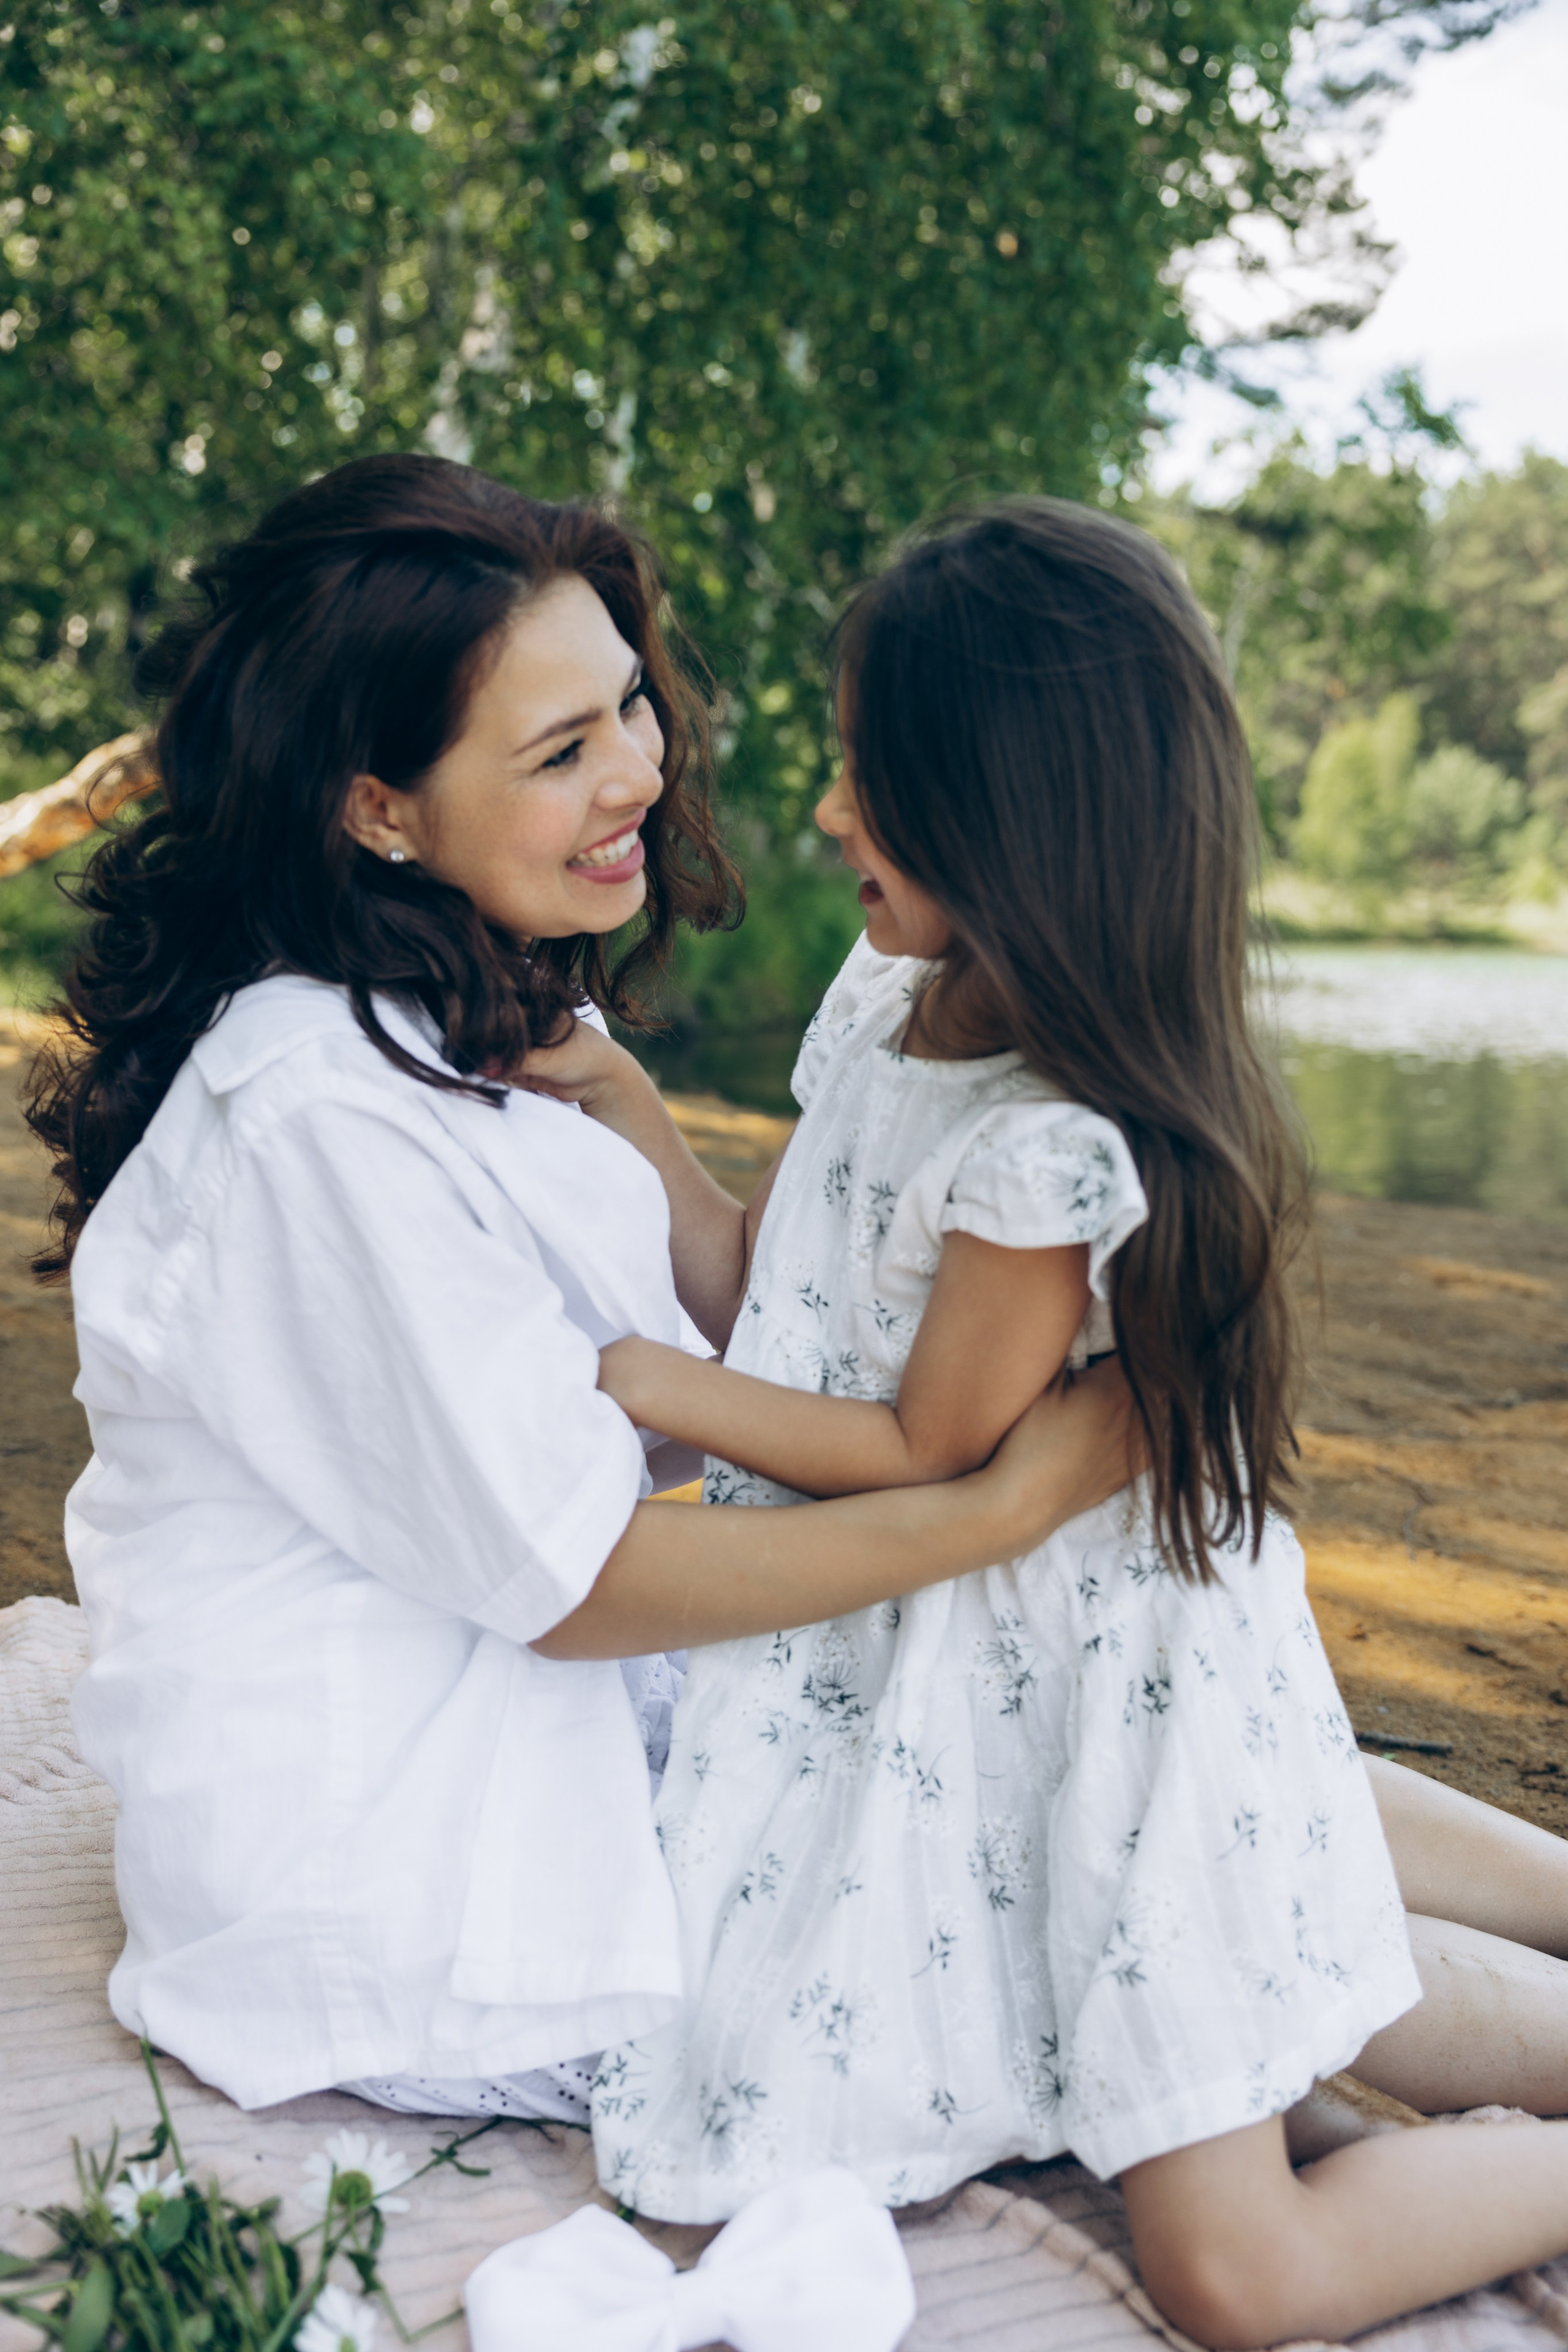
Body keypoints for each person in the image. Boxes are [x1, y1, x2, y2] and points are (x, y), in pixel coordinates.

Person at [521, 499, 1568, 2344]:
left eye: (875, 778)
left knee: (1237, 2272)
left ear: (1018, 824)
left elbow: (932, 1448)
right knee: (1234, 2018)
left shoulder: (1044, 1144)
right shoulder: (889, 997)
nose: (832, 814)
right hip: (945, 1679)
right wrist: (621, 1101)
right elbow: (781, 1280)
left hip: (1105, 1714)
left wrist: (672, 1397)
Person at [28, 456, 1139, 2123]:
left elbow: (728, 1322)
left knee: (1135, 1743)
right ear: (375, 806)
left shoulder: (478, 1011)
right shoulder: (312, 1117)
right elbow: (584, 1577)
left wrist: (638, 1119)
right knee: (1113, 1882)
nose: (637, 770)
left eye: (629, 705)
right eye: (562, 751)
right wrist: (1002, 1505)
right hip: (428, 1881)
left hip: (575, 1739)